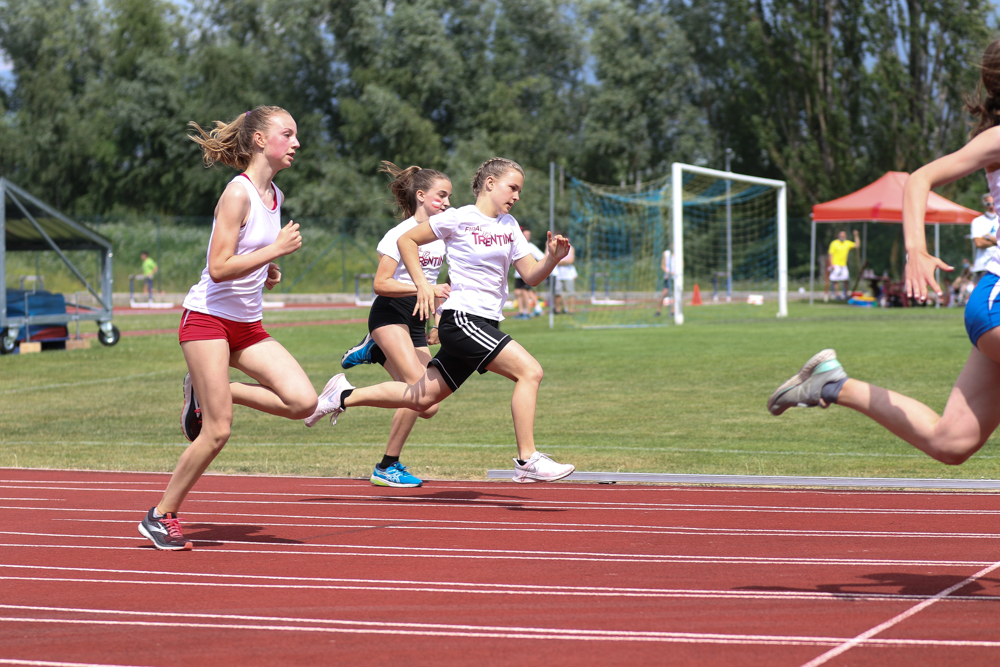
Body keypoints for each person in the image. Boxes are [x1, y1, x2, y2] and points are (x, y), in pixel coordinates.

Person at [768, 38, 1000, 468]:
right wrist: (916, 249)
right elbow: (920, 178)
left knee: (951, 441)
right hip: (997, 303)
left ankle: (832, 384)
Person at [306, 157, 576, 483]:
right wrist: (422, 285)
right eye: (513, 187)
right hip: (462, 320)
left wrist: (552, 259)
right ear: (490, 184)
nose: (517, 196)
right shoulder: (459, 218)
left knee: (423, 399)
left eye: (520, 190)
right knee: (530, 371)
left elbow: (531, 275)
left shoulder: (510, 226)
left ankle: (342, 396)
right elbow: (406, 240)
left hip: (486, 322)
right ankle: (527, 459)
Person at [138, 106, 317, 551]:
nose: (296, 143)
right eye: (288, 134)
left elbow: (246, 254)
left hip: (247, 325)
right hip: (207, 321)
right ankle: (160, 515)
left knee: (303, 402)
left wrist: (268, 269)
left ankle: (211, 389)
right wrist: (274, 250)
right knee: (217, 431)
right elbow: (218, 268)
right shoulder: (237, 193)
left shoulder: (275, 194)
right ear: (260, 140)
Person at [338, 162, 453, 487]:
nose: (447, 202)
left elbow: (437, 284)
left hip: (418, 317)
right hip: (390, 313)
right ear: (421, 195)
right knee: (420, 391)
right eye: (441, 195)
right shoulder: (398, 235)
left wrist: (437, 320)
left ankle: (387, 465)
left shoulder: (442, 235)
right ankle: (350, 390)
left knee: (427, 403)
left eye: (449, 196)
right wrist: (424, 288)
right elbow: (381, 283)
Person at [513, 227, 545, 319]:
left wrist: (535, 267)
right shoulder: (516, 244)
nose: (527, 236)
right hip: (518, 274)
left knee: (525, 292)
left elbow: (541, 257)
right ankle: (521, 311)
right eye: (525, 235)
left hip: (526, 273)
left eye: (528, 235)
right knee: (517, 292)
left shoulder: (531, 246)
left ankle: (527, 312)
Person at [970, 194, 998, 281]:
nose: (992, 206)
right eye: (988, 204)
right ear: (983, 205)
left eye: (994, 203)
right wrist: (997, 241)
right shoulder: (977, 221)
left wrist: (988, 237)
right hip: (983, 267)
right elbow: (978, 243)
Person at [826, 229, 860, 301]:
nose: (842, 237)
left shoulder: (847, 243)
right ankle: (837, 295)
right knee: (835, 280)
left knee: (846, 279)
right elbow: (830, 254)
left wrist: (856, 235)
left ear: (845, 236)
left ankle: (846, 294)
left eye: (843, 236)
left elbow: (857, 245)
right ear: (838, 236)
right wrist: (831, 264)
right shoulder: (834, 243)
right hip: (836, 264)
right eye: (841, 235)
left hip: (843, 265)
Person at [553, 234, 576, 314]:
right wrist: (564, 261)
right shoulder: (557, 248)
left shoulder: (571, 248)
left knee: (570, 293)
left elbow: (570, 260)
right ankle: (557, 309)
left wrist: (561, 261)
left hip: (569, 275)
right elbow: (555, 260)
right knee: (557, 293)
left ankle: (571, 310)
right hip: (559, 274)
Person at [655, 247, 675, 317]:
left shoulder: (678, 254)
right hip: (668, 277)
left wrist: (675, 273)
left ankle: (673, 311)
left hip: (675, 278)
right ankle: (658, 310)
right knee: (664, 293)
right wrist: (668, 272)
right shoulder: (666, 253)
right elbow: (662, 265)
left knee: (674, 294)